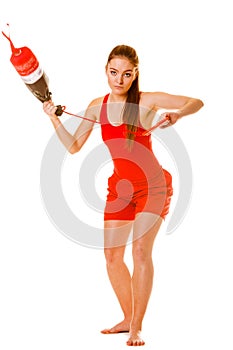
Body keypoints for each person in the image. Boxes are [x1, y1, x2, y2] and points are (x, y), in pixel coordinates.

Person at [43, 44, 204, 346]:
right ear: (106, 71)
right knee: (112, 257)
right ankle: (128, 318)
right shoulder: (97, 105)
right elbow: (74, 146)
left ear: (134, 75)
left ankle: (137, 327)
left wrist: (179, 114)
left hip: (153, 187)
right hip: (120, 188)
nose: (119, 79)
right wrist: (54, 118)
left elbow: (197, 102)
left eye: (126, 74)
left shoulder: (146, 101)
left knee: (141, 252)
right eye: (113, 72)